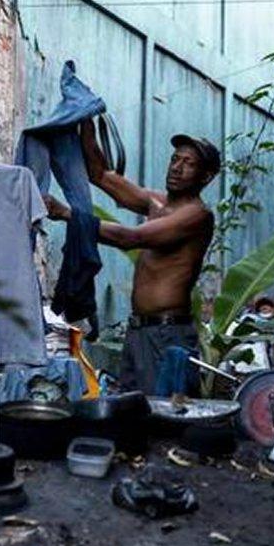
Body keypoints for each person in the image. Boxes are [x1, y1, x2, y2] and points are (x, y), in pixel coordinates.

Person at [43, 120, 220, 395]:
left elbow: (132, 237)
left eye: (188, 163)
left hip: (167, 335)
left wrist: (68, 214)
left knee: (163, 420)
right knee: (131, 414)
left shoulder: (197, 216)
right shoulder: (157, 203)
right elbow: (100, 174)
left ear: (205, 176)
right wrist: (87, 121)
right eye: (175, 159)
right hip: (140, 331)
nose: (176, 167)